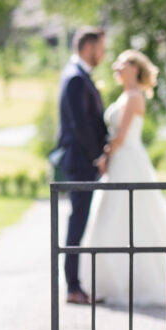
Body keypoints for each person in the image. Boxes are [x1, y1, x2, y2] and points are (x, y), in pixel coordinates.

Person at [78, 50, 166, 307]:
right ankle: (110, 282)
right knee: (111, 217)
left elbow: (120, 136)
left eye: (122, 63)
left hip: (128, 160)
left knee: (135, 217)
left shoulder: (134, 97)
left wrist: (105, 157)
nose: (117, 67)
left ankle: (140, 283)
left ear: (134, 68)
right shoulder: (124, 96)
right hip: (120, 161)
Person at [57, 27, 109, 305]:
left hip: (83, 160)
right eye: (101, 48)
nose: (103, 54)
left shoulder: (79, 76)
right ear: (88, 47)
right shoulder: (76, 78)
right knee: (77, 222)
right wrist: (97, 157)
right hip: (80, 162)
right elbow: (80, 125)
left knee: (80, 220)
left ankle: (77, 284)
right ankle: (73, 286)